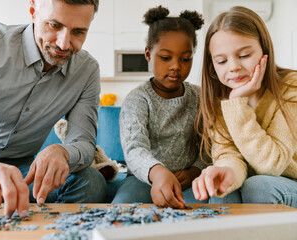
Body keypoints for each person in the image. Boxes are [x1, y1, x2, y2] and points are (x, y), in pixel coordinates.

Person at [0, 0, 107, 218]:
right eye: (54, 25)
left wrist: (63, 151)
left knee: (90, 182)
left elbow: (83, 142)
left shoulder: (87, 71)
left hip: (24, 175)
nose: (64, 44)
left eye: (78, 32)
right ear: (33, 11)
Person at [192, 6, 297, 207]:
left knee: (258, 186)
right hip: (256, 183)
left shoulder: (292, 88)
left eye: (244, 56)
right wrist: (227, 172)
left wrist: (236, 104)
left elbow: (272, 164)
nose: (233, 67)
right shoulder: (218, 101)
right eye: (221, 61)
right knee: (221, 191)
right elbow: (229, 155)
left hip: (288, 184)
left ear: (264, 51)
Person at [112, 6, 207, 208]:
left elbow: (211, 146)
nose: (176, 66)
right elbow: (135, 148)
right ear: (148, 54)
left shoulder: (200, 97)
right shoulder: (137, 99)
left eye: (185, 58)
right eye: (165, 58)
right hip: (144, 179)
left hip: (188, 181)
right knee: (122, 206)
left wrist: (195, 171)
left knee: (198, 212)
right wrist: (157, 172)